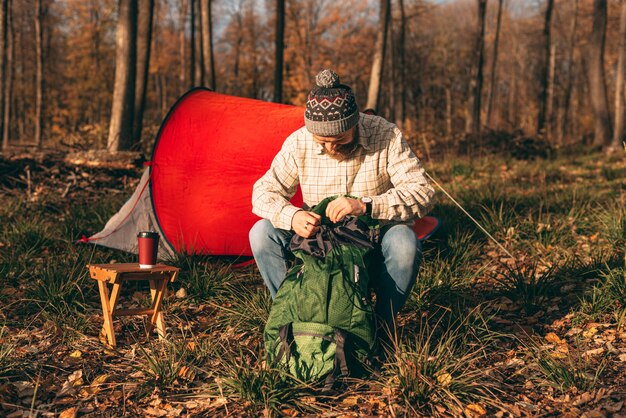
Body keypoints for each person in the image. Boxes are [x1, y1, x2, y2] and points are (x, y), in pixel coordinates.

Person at [249, 68, 435, 333]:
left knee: (405, 243)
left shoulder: (386, 135)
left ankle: (382, 327)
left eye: (339, 139)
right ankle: (291, 317)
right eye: (321, 141)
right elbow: (262, 192)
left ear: (355, 122)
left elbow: (422, 192)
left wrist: (366, 205)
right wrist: (293, 216)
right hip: (319, 243)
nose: (330, 147)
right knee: (261, 233)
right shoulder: (298, 143)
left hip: (373, 237)